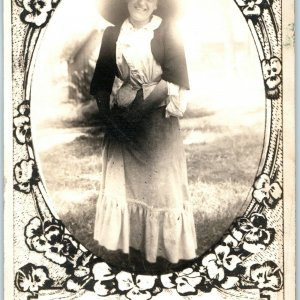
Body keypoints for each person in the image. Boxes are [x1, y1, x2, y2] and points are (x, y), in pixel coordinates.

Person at [90, 0, 197, 264]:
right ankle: (133, 248)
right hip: (122, 119)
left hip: (157, 119)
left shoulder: (167, 30)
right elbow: (102, 80)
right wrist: (109, 118)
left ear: (158, 3)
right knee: (127, 187)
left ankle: (162, 252)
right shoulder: (112, 34)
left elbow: (173, 78)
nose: (141, 3)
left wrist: (139, 113)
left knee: (162, 189)